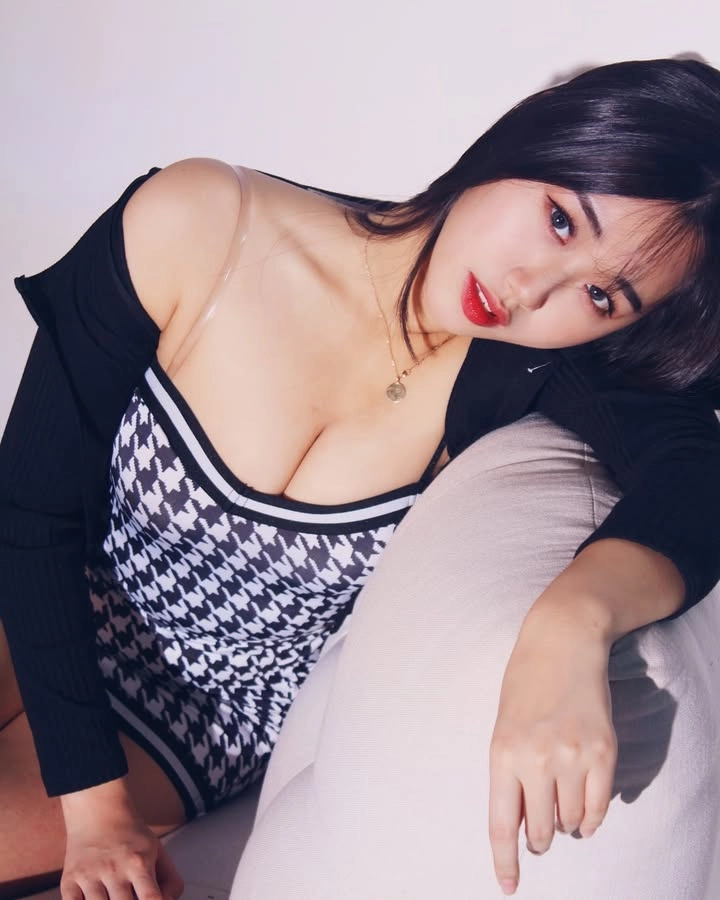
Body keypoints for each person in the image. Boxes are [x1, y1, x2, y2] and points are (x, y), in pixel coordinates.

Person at [1, 56, 720, 900]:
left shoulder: (534, 375)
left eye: (603, 297)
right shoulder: (202, 225)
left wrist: (576, 617)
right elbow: (32, 509)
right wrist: (91, 810)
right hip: (50, 594)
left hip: (196, 717)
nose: (529, 290)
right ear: (539, 131)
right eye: (560, 220)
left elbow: (695, 476)